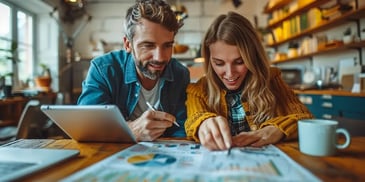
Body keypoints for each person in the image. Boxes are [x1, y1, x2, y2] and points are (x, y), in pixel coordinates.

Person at [184, 12, 313, 150]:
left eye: (239, 62)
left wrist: (277, 129)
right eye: (219, 63)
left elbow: (305, 118)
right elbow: (194, 119)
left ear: (252, 57)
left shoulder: (272, 80)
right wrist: (203, 122)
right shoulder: (198, 90)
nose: (229, 73)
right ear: (210, 60)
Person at [78, 0, 190, 141]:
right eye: (148, 45)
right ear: (128, 44)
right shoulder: (103, 70)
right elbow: (86, 128)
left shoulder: (180, 74)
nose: (160, 57)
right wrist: (131, 130)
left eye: (167, 46)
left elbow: (181, 131)